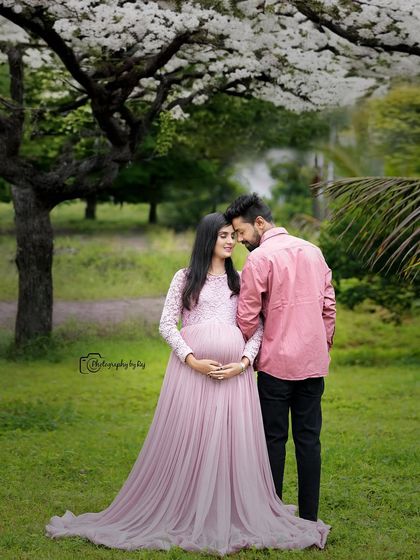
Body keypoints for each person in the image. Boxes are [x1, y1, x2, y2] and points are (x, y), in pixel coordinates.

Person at [45, 212, 330, 555]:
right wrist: (191, 359)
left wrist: (242, 364)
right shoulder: (184, 278)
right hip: (191, 376)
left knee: (229, 445)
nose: (230, 241)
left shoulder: (240, 281)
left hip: (233, 381)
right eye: (223, 235)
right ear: (207, 239)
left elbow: (257, 328)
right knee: (191, 441)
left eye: (232, 235)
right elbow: (167, 324)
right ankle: (189, 509)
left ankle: (235, 509)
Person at [224, 194, 336, 523]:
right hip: (312, 364)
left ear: (259, 223)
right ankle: (309, 518)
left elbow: (246, 317)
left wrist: (243, 350)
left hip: (275, 366)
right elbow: (328, 306)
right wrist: (320, 345)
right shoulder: (313, 252)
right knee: (309, 440)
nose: (240, 240)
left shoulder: (259, 260)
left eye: (241, 232)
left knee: (273, 440)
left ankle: (273, 518)